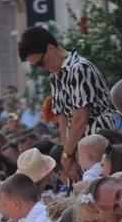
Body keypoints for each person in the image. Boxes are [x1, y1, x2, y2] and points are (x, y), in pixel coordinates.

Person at [18, 26, 116, 183]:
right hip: (76, 143)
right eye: (36, 66)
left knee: (96, 190)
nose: (41, 68)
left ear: (51, 48)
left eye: (40, 63)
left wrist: (67, 155)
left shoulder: (79, 68)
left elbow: (80, 118)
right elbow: (62, 117)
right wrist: (67, 154)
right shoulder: (56, 75)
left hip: (96, 138)